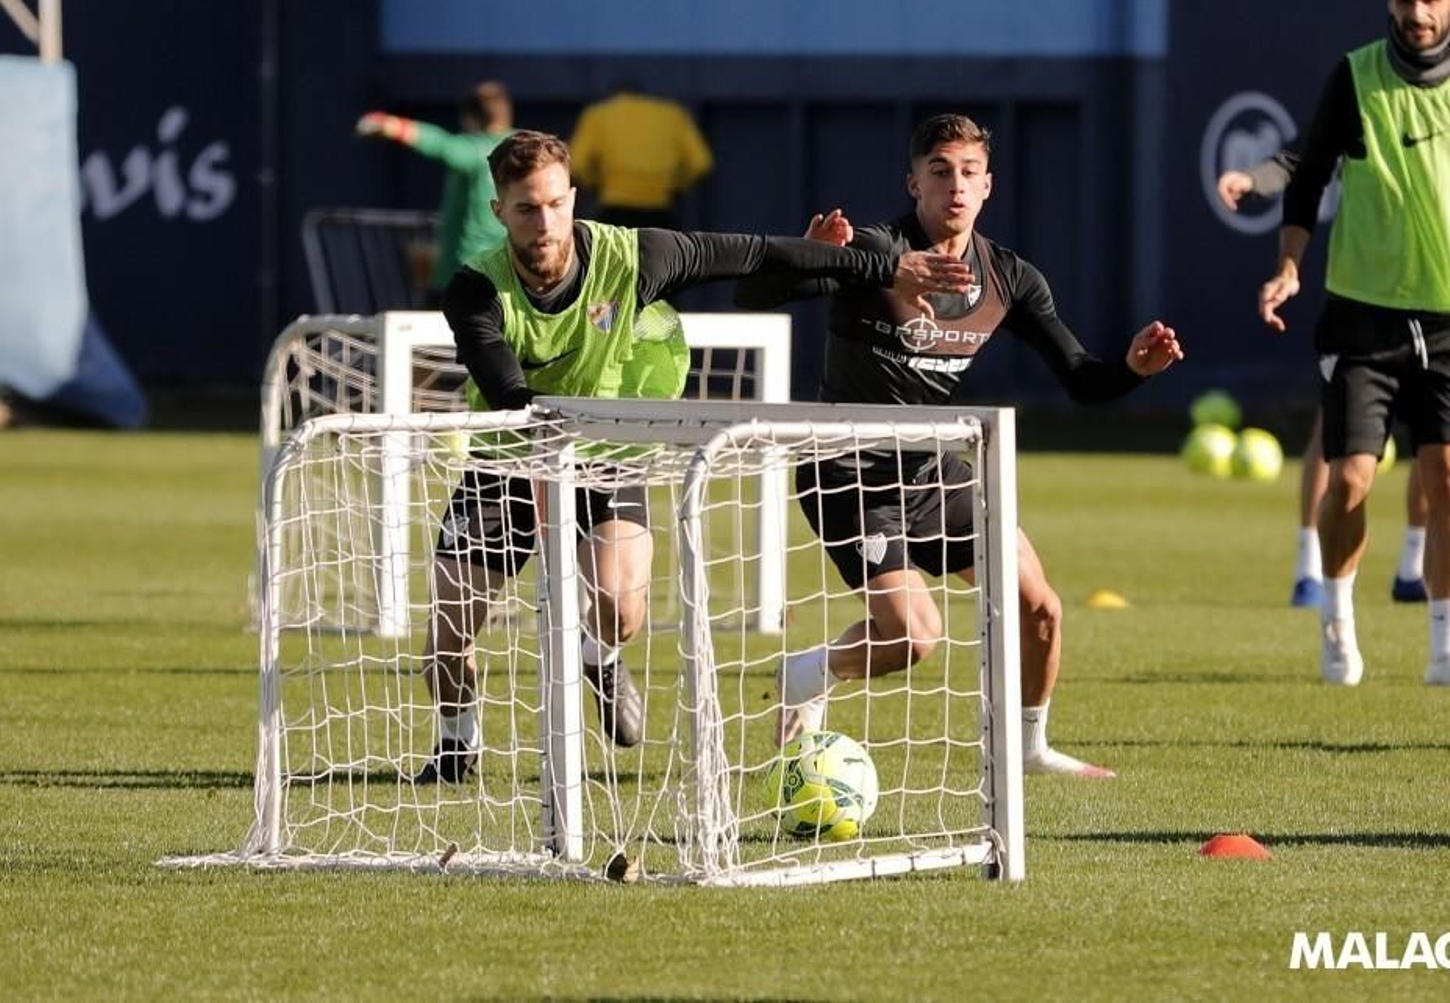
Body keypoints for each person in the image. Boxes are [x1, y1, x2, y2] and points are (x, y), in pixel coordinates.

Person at [415, 130, 974, 783]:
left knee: (623, 607)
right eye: (525, 210)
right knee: (449, 637)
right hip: (507, 459)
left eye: (554, 204)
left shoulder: (633, 255)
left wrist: (871, 265)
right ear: (498, 213)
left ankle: (598, 653)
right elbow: (509, 390)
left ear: (573, 197)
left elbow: (748, 252)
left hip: (602, 450)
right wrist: (540, 469)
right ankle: (457, 740)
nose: (544, 223)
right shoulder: (475, 290)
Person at [734, 114, 1183, 778]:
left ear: (989, 186)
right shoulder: (873, 249)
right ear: (913, 182)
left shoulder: (1009, 277)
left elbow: (1083, 380)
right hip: (848, 474)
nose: (956, 186)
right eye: (940, 171)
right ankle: (811, 670)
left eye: (970, 173)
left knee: (1041, 607)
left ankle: (1028, 747)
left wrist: (1132, 370)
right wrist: (809, 253)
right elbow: (753, 294)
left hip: (933, 471)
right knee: (915, 639)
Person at [1259, 0, 1450, 690]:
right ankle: (1336, 620)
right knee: (1354, 478)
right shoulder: (1356, 75)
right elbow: (1307, 177)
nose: (1417, 11)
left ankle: (1447, 652)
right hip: (1364, 316)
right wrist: (1289, 264)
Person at [1220, 148, 1450, 608]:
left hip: (1441, 308)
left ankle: (1410, 569)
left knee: (1437, 444)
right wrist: (1255, 179)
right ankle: (1309, 572)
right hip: (1369, 301)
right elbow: (1303, 154)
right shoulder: (1368, 88)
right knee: (1336, 444)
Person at [356, 81, 515, 301]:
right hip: (507, 278)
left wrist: (390, 125)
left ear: (470, 118)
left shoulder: (472, 150)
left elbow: (441, 145)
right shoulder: (519, 151)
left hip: (464, 277)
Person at [569, 81, 714, 229]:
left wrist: (595, 185)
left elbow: (577, 164)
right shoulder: (673, 115)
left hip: (614, 209)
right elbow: (701, 162)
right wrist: (677, 186)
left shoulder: (598, 114)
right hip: (659, 211)